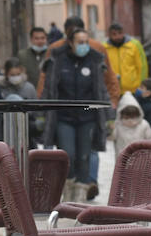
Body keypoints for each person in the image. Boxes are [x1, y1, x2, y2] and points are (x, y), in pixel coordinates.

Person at [43, 27, 109, 199]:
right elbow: (49, 89)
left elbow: (101, 90)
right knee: (68, 155)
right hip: (64, 117)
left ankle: (80, 197)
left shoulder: (94, 61)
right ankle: (66, 190)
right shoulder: (58, 61)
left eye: (86, 42)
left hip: (88, 117)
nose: (84, 45)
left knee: (84, 156)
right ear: (70, 43)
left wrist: (106, 115)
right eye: (80, 42)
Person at [1, 57, 43, 147]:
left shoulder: (29, 88)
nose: (15, 77)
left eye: (18, 74)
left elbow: (37, 112)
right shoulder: (2, 88)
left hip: (28, 131)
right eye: (12, 75)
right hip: (8, 131)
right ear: (7, 74)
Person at [104, 23, 148, 99]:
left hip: (133, 90)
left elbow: (142, 67)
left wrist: (142, 86)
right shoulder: (104, 48)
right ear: (109, 35)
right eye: (114, 34)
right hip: (112, 91)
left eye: (120, 33)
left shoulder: (134, 45)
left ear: (123, 33)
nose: (117, 36)